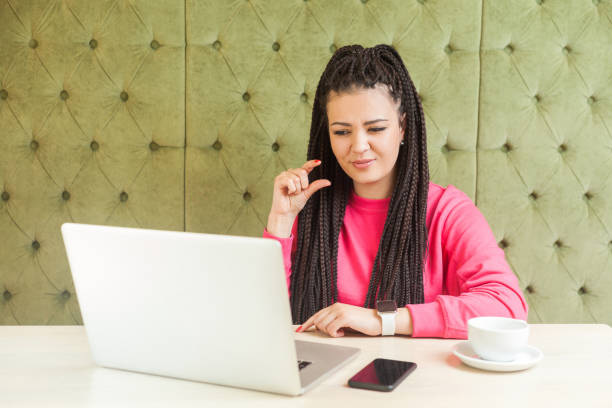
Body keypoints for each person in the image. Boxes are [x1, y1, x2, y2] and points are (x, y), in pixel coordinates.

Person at [262, 44, 528, 339]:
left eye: (375, 129)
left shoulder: (446, 211)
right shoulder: (310, 212)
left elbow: (507, 305)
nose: (359, 146)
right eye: (341, 132)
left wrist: (383, 320)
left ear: (402, 126)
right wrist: (281, 221)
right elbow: (258, 317)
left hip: (419, 379)